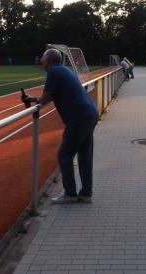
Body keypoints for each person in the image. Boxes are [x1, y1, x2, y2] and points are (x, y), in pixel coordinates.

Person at [23, 48, 98, 204]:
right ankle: (86, 194)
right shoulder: (65, 70)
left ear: (49, 61)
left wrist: (36, 100)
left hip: (78, 119)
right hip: (89, 114)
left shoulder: (53, 73)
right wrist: (32, 99)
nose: (41, 61)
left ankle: (70, 194)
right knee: (85, 155)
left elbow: (45, 98)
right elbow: (50, 96)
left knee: (64, 155)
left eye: (42, 59)